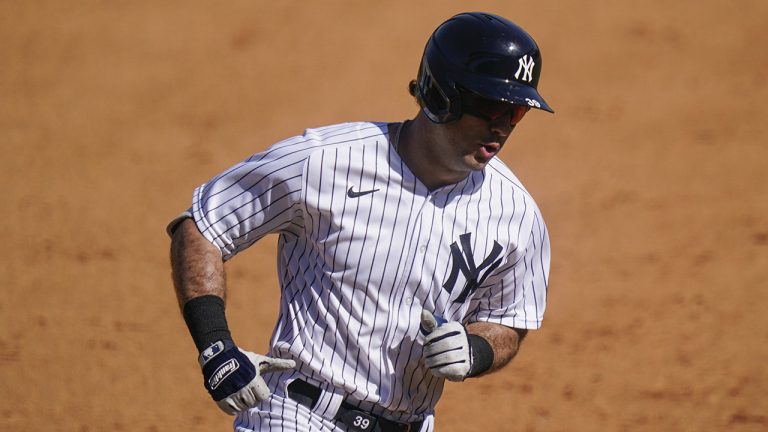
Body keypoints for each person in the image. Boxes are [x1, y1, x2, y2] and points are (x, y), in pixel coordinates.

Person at [169, 11, 553, 432]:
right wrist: (216, 347)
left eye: (515, 113)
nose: (501, 127)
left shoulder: (517, 216)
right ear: (441, 95)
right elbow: (203, 226)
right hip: (296, 413)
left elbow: (508, 318)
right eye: (489, 107)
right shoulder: (324, 161)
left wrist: (477, 349)